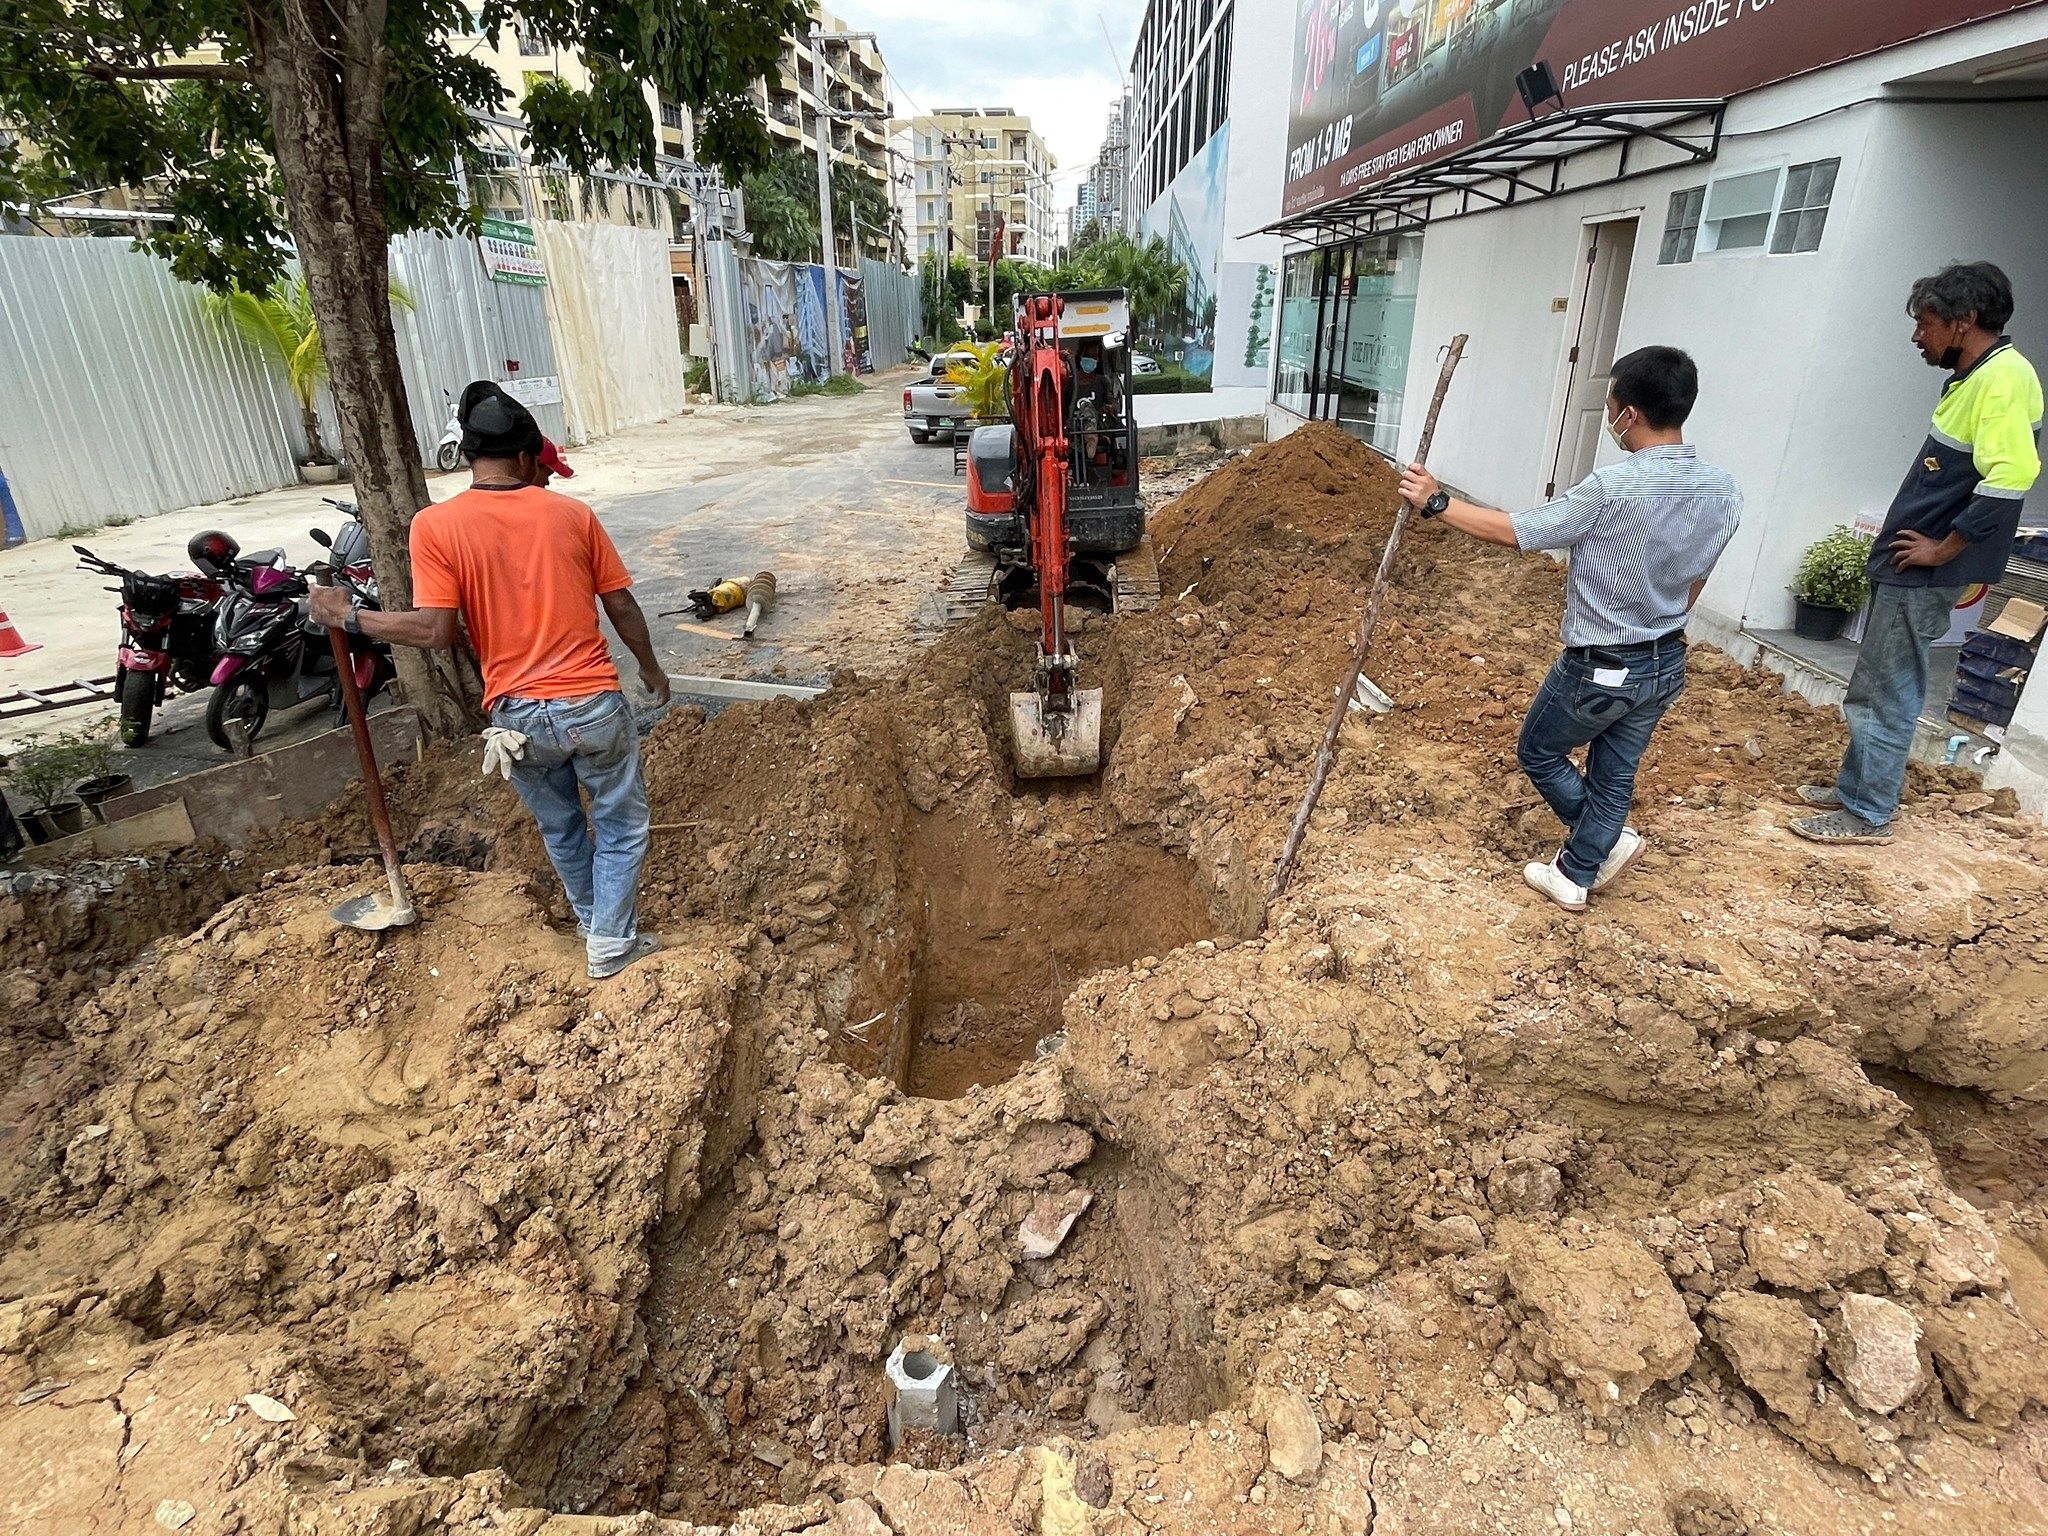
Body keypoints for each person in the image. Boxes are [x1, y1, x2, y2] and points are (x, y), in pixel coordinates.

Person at [308, 382, 672, 977]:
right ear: (529, 457)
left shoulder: (434, 526)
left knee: (562, 826)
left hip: (518, 717)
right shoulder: (572, 515)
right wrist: (651, 670)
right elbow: (622, 606)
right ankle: (610, 940)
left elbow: (434, 630)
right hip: (590, 703)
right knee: (621, 824)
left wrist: (348, 616)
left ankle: (593, 923)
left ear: (471, 457)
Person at [1397, 346, 1742, 911]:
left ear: (1628, 412)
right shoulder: (1724, 491)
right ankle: (1577, 871)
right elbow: (1697, 576)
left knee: (1538, 748)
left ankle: (1596, 845)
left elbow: (1520, 531)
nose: (1609, 413)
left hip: (1603, 665)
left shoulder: (1611, 487)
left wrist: (1436, 500)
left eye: (1610, 402)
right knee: (1616, 770)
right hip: (1666, 661)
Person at [1793, 263, 2042, 844]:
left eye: (1926, 324)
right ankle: (1859, 785)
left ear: (1963, 323)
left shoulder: (2004, 379)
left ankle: (1867, 811)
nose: (1917, 337)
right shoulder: (1976, 374)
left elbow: (2011, 477)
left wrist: (1944, 548)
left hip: (1924, 574)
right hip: (1909, 566)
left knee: (1890, 689)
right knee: (1877, 681)